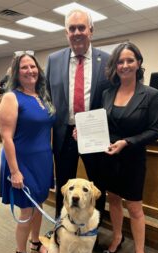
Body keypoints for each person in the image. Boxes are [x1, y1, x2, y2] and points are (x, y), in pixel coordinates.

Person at [100, 42, 158, 253]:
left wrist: (127, 141)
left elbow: (155, 130)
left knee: (135, 208)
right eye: (120, 61)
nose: (124, 65)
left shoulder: (151, 94)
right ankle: (117, 238)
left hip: (133, 157)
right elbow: (101, 124)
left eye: (129, 60)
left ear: (138, 63)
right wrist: (82, 135)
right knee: (113, 200)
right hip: (109, 158)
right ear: (115, 66)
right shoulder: (107, 93)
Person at [45, 8, 111, 223]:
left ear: (91, 31)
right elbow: (47, 97)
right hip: (64, 135)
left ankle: (94, 227)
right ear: (66, 33)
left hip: (94, 135)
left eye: (81, 27)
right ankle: (61, 225)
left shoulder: (108, 60)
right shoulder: (54, 60)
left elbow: (112, 99)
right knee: (65, 184)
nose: (76, 32)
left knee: (95, 185)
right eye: (71, 28)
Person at [0, 51, 55, 253]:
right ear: (16, 72)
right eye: (24, 67)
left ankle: (35, 243)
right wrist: (14, 171)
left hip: (42, 160)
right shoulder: (12, 97)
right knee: (27, 210)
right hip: (21, 162)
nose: (30, 71)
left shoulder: (41, 96)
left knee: (39, 204)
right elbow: (6, 137)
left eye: (33, 67)